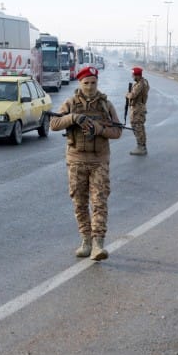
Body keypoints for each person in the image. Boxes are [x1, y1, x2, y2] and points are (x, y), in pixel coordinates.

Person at [49, 66, 123, 260]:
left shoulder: (106, 106)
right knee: (79, 202)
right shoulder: (70, 103)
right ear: (80, 83)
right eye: (86, 83)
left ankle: (98, 244)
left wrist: (99, 129)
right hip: (76, 160)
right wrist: (73, 118)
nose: (90, 87)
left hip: (99, 161)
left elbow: (117, 132)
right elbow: (54, 124)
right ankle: (86, 241)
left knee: (99, 202)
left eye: (93, 83)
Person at [126, 66, 149, 155]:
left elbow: (133, 95)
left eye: (133, 75)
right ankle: (142, 146)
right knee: (140, 127)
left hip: (138, 109)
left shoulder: (140, 84)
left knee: (137, 127)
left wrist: (127, 94)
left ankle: (141, 147)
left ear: (137, 75)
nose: (132, 77)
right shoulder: (144, 82)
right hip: (139, 107)